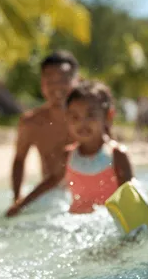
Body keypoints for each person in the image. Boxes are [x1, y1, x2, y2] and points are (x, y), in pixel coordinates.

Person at [7, 80, 134, 215]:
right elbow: (51, 181)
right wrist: (21, 204)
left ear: (108, 116)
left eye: (90, 115)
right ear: (66, 118)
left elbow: (130, 196)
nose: (82, 123)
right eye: (75, 117)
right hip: (76, 222)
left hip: (107, 220)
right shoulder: (68, 155)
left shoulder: (116, 155)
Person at [7, 50, 79, 216]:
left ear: (77, 81)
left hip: (86, 195)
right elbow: (19, 160)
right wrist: (17, 199)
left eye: (63, 79)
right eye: (50, 80)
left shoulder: (89, 121)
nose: (56, 86)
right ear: (42, 84)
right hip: (51, 198)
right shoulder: (30, 123)